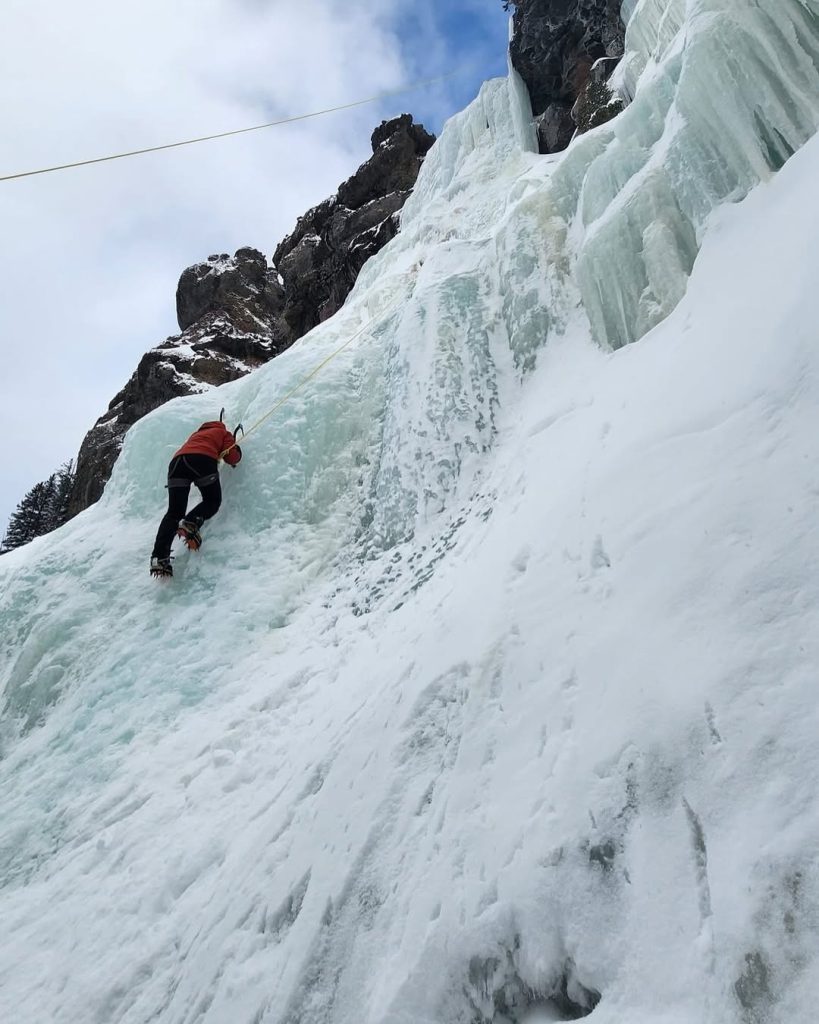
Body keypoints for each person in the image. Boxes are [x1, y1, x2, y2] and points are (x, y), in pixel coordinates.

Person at [150, 419, 242, 578]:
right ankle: (190, 522)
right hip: (201, 460)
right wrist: (237, 451)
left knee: (174, 513)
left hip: (177, 463)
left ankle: (159, 558)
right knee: (212, 501)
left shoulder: (196, 435)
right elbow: (232, 457)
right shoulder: (222, 432)